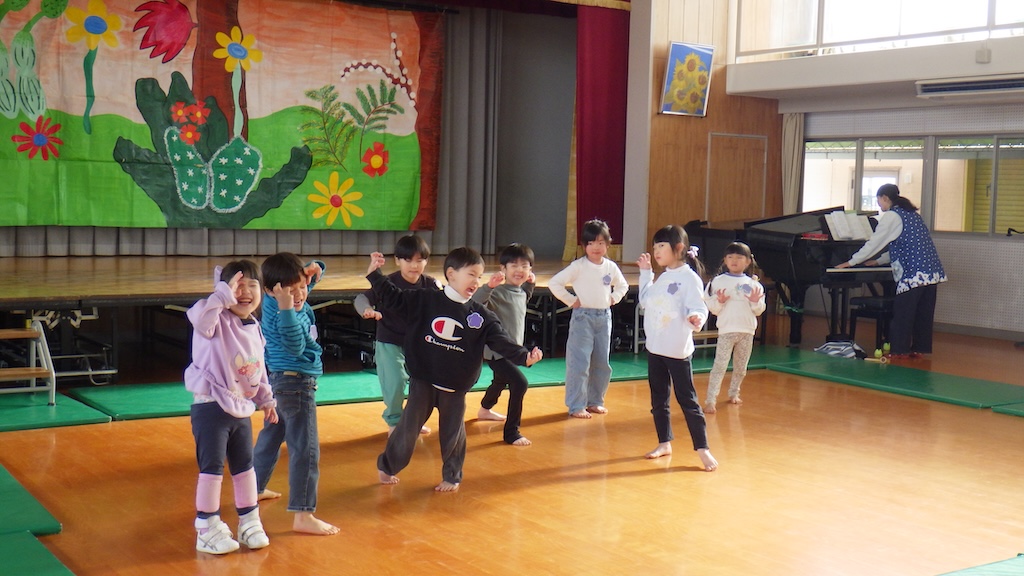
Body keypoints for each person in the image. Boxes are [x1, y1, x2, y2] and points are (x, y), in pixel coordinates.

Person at [367, 247, 543, 491]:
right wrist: (375, 275)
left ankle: (452, 476)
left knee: (453, 434)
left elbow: (501, 341)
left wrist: (525, 357)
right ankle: (387, 466)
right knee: (407, 429)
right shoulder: (426, 300)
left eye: (479, 277)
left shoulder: (480, 315)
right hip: (423, 380)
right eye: (471, 275)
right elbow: (394, 297)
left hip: (455, 386)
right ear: (451, 274)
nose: (476, 281)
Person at [184, 260, 278, 554]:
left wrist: (266, 399)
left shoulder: (254, 327)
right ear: (223, 290)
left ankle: (249, 521)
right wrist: (221, 296)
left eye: (252, 285)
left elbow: (257, 368)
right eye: (238, 286)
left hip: (241, 408)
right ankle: (206, 527)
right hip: (211, 407)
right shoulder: (213, 318)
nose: (245, 292)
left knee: (245, 468)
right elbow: (201, 318)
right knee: (212, 470)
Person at [252, 253, 340, 535]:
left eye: (302, 286)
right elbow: (295, 346)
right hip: (296, 386)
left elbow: (306, 283)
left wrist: (314, 269)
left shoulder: (283, 296)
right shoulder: (282, 312)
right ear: (272, 291)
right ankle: (303, 514)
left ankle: (253, 489)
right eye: (292, 291)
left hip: (281, 383)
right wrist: (288, 309)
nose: (300, 294)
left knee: (271, 437)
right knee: (306, 449)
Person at [636, 225, 718, 471]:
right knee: (659, 400)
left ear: (679, 248)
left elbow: (699, 307)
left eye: (661, 246)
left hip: (677, 350)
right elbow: (645, 301)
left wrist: (697, 318)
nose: (656, 251)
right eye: (655, 246)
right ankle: (664, 442)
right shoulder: (663, 277)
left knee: (688, 400)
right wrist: (645, 273)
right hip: (655, 348)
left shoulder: (689, 278)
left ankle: (702, 449)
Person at [836, 183, 947, 358]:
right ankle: (919, 348)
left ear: (885, 198)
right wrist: (878, 261)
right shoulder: (912, 215)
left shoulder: (891, 216)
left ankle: (899, 351)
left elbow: (874, 243)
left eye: (879, 201)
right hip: (931, 271)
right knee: (922, 314)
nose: (879, 205)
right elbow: (904, 244)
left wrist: (851, 262)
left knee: (903, 313)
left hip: (913, 273)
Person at [353, 234, 441, 436]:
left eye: (420, 260)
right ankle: (394, 421)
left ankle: (412, 421)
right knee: (395, 382)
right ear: (398, 260)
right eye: (408, 260)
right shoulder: (387, 283)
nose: (414, 265)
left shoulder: (431, 285)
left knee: (423, 387)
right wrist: (366, 310)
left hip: (419, 344)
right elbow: (362, 299)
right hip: (390, 341)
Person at [547, 219, 629, 419]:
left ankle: (595, 401)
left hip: (604, 317)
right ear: (584, 246)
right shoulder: (578, 266)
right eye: (591, 243)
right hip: (583, 318)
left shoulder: (610, 267)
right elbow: (555, 283)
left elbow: (622, 285)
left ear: (608, 244)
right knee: (579, 363)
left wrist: (614, 298)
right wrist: (571, 300)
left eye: (600, 243)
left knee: (601, 363)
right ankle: (576, 405)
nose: (596, 247)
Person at [471, 243, 537, 446]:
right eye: (514, 265)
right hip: (496, 351)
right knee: (520, 383)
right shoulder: (497, 292)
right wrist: (489, 287)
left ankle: (485, 409)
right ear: (503, 269)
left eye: (524, 266)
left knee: (500, 380)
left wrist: (530, 285)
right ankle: (512, 432)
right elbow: (475, 303)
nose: (519, 270)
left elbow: (523, 298)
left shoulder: (521, 292)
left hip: (512, 350)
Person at [703, 242, 766, 413]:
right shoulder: (717, 281)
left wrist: (755, 302)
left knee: (741, 367)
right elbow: (712, 307)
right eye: (730, 257)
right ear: (725, 260)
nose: (734, 261)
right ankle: (710, 400)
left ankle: (734, 393)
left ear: (748, 262)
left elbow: (759, 310)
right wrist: (719, 302)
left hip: (747, 331)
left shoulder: (754, 285)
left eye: (739, 257)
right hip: (727, 330)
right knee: (720, 366)